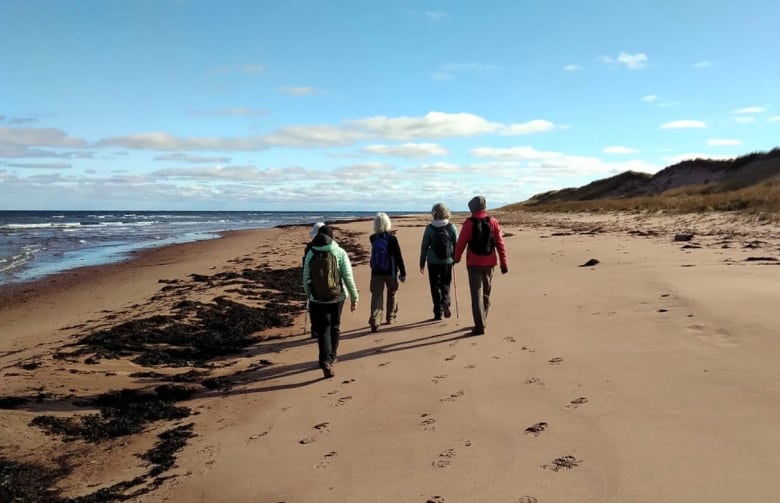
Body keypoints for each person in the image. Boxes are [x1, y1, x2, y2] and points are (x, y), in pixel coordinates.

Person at [303, 225, 359, 378]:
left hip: (317, 298)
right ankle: (331, 357)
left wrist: (309, 295)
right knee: (334, 326)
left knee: (323, 330)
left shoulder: (311, 253)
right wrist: (354, 297)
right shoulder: (339, 252)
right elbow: (348, 277)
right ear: (332, 237)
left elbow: (306, 276)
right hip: (337, 297)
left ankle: (324, 360)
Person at [453, 196, 508, 336]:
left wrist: (456, 258)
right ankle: (483, 319)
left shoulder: (468, 223)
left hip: (473, 263)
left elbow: (461, 243)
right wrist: (503, 262)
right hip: (490, 263)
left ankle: (479, 325)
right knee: (486, 293)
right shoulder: (493, 222)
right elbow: (500, 243)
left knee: (475, 295)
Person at [368, 212, 406, 332]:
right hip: (391, 271)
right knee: (392, 293)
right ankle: (390, 317)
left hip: (376, 272)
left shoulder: (373, 238)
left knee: (376, 296)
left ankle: (375, 320)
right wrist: (403, 272)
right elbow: (398, 256)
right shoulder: (392, 239)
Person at [419, 202, 458, 321]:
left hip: (432, 261)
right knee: (446, 284)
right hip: (447, 261)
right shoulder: (451, 227)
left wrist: (422, 263)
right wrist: (455, 258)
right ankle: (445, 300)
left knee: (434, 286)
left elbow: (424, 246)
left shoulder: (429, 228)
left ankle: (438, 312)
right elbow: (456, 243)